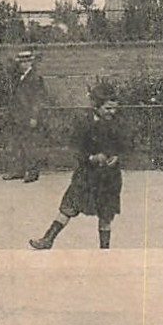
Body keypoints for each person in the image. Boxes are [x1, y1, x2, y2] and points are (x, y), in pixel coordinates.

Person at [30, 96, 128, 250]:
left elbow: (126, 144)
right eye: (108, 108)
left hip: (109, 176)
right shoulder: (84, 124)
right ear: (96, 106)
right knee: (69, 206)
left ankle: (105, 250)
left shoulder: (118, 123)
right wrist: (91, 158)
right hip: (87, 173)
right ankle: (48, 239)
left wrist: (116, 156)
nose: (112, 112)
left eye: (115, 108)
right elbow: (76, 148)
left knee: (106, 213)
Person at [2, 49, 48, 182]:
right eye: (21, 62)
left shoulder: (35, 78)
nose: (22, 65)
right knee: (17, 143)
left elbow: (38, 99)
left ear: (30, 63)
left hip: (28, 116)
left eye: (25, 62)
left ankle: (33, 172)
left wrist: (34, 117)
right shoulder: (19, 77)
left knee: (29, 144)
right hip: (17, 115)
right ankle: (19, 170)